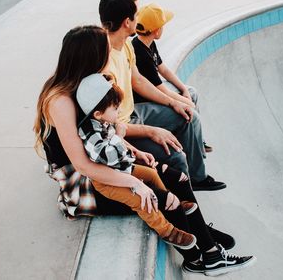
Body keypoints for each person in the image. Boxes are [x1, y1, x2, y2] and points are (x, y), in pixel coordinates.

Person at [33, 25, 255, 276]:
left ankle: (209, 252)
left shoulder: (86, 85)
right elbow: (83, 165)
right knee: (161, 197)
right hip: (81, 182)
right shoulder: (60, 100)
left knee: (176, 178)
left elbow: (102, 131)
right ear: (91, 57)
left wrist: (133, 151)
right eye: (104, 52)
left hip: (103, 166)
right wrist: (133, 181)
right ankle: (197, 254)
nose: (108, 57)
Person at [99, 0, 225, 191]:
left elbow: (138, 81)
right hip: (122, 129)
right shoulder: (103, 62)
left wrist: (173, 102)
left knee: (188, 115)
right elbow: (108, 126)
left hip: (135, 113)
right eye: (135, 16)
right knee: (176, 156)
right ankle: (184, 211)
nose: (137, 20)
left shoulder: (126, 46)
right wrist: (151, 131)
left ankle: (198, 178)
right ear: (127, 23)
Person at [76, 72, 198, 249]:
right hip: (107, 181)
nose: (119, 111)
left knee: (151, 173)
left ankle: (169, 204)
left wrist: (136, 152)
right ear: (98, 113)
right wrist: (119, 134)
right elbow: (108, 157)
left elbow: (120, 149)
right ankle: (167, 231)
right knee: (139, 199)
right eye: (115, 108)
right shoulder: (90, 133)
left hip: (123, 169)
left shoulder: (102, 122)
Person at [132, 3, 213, 156]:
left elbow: (163, 69)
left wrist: (183, 89)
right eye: (162, 26)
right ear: (156, 31)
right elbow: (159, 89)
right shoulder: (140, 52)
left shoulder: (149, 43)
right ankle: (193, 147)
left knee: (191, 92)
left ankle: (197, 139)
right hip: (148, 98)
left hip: (157, 89)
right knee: (189, 107)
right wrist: (184, 102)